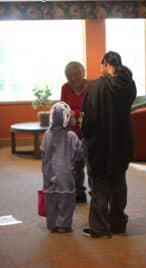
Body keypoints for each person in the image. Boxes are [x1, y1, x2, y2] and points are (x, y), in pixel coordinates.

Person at [81, 51, 137, 238]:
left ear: (105, 63)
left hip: (101, 144)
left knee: (100, 184)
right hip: (122, 141)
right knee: (119, 182)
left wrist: (86, 136)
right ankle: (117, 222)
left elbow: (88, 122)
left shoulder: (96, 87)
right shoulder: (129, 85)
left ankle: (99, 227)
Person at [41, 101, 84, 233]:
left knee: (50, 197)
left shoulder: (47, 134)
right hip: (65, 173)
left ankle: (52, 224)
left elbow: (43, 153)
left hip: (48, 172)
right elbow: (78, 155)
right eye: (70, 116)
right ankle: (64, 225)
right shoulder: (71, 136)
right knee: (66, 199)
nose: (73, 119)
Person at [61, 61, 89, 203]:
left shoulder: (91, 86)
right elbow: (63, 107)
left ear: (83, 73)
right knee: (76, 164)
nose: (73, 78)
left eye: (76, 74)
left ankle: (95, 191)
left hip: (89, 129)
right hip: (72, 132)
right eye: (69, 75)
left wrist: (75, 113)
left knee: (91, 163)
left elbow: (93, 108)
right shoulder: (65, 88)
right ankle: (78, 191)